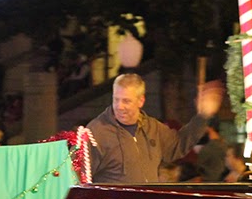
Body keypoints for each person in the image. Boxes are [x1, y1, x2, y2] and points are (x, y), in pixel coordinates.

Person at [87, 73, 224, 184]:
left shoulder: (153, 128)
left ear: (141, 101)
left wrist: (203, 116)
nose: (119, 106)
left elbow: (178, 145)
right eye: (116, 99)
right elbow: (77, 176)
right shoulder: (97, 131)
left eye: (126, 101)